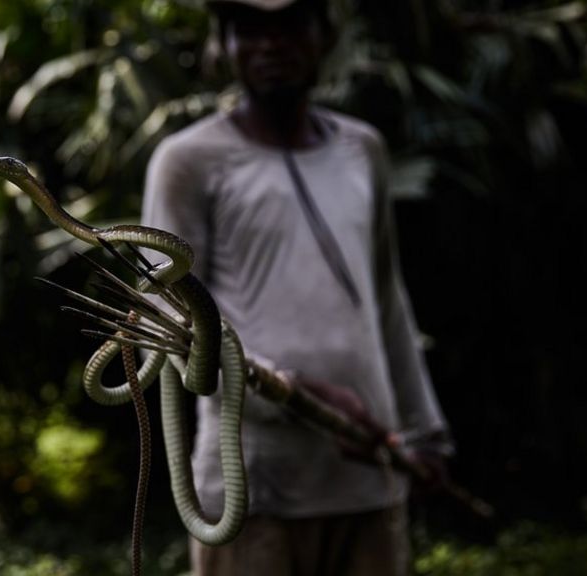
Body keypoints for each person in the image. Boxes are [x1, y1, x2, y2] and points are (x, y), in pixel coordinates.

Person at [141, 0, 452, 573]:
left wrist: (424, 426)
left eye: (289, 25)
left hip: (369, 480)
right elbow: (165, 327)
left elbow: (385, 296)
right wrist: (296, 392)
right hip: (253, 493)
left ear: (324, 35)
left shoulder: (363, 148)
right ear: (223, 44)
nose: (270, 44)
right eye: (248, 29)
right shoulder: (187, 161)